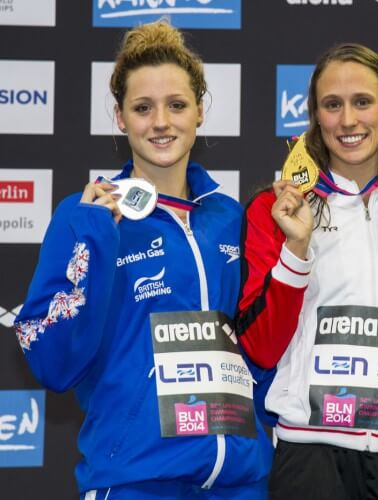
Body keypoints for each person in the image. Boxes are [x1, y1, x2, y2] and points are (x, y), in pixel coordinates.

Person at [14, 20, 272, 499]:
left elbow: (259, 343)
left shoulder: (230, 216)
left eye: (176, 105)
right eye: (142, 108)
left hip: (239, 483)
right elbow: (49, 358)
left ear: (200, 111)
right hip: (136, 481)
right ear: (119, 117)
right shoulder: (85, 216)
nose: (160, 122)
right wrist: (95, 236)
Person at [235, 43, 378, 500]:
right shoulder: (276, 210)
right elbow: (259, 347)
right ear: (315, 117)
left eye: (362, 102)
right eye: (332, 105)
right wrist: (297, 248)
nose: (348, 120)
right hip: (310, 454)